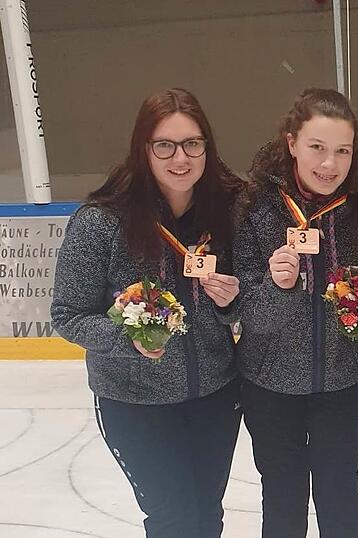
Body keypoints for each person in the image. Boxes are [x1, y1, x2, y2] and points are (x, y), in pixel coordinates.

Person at [51, 88, 246, 538]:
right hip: (134, 405)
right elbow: (67, 314)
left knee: (207, 517)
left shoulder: (227, 211)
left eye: (193, 144)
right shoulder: (101, 222)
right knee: (173, 521)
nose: (181, 157)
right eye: (165, 145)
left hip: (214, 395)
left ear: (207, 148)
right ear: (144, 149)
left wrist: (229, 302)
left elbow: (243, 302)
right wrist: (129, 340)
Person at [233, 88, 358, 538]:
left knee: (340, 496)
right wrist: (279, 287)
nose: (329, 164)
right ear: (291, 143)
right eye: (317, 147)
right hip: (269, 387)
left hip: (341, 386)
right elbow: (241, 313)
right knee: (282, 498)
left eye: (342, 151)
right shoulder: (255, 209)